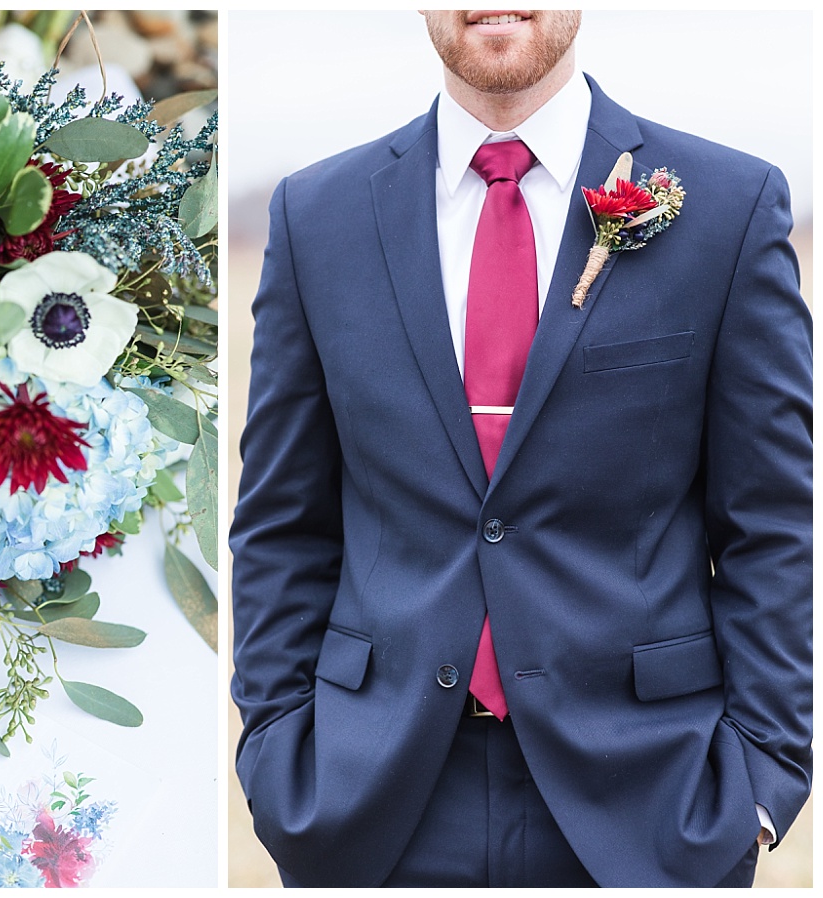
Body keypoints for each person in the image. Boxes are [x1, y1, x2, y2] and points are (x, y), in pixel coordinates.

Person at [229, 9, 811, 888]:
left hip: (653, 800)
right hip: (373, 802)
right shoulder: (317, 215)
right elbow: (282, 518)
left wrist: (760, 781)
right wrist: (278, 756)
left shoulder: (730, 207)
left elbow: (771, 523)